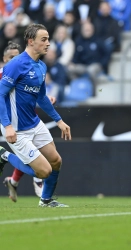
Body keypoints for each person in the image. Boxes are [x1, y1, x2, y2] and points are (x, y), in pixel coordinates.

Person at [0, 24, 71, 207]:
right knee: (44, 171)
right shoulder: (15, 65)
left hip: (34, 123)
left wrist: (59, 120)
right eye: (44, 39)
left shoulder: (41, 66)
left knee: (56, 161)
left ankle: (45, 201)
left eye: (48, 39)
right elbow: (0, 95)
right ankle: (4, 155)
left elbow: (41, 97)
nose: (48, 43)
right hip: (17, 128)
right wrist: (7, 126)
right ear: (31, 42)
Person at [0, 41, 55, 202]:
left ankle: (14, 181)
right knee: (34, 160)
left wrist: (46, 98)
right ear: (4, 58)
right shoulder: (3, 74)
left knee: (29, 155)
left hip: (29, 118)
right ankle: (37, 178)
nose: (15, 60)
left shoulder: (27, 69)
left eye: (17, 57)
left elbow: (34, 92)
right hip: (11, 123)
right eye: (11, 57)